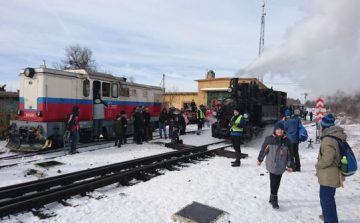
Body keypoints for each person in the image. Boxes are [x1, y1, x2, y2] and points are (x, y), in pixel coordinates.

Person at [257, 121, 294, 209]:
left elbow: (290, 155)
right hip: (271, 164)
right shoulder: (269, 139)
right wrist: (260, 159)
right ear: (275, 130)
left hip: (281, 165)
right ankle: (274, 199)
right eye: (278, 129)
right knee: (273, 181)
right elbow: (263, 150)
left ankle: (272, 197)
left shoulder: (287, 141)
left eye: (281, 129)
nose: (279, 131)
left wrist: (290, 165)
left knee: (277, 182)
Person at [316, 114, 345, 223]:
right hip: (333, 174)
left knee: (326, 201)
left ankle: (330, 220)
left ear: (324, 126)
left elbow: (327, 160)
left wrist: (317, 165)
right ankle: (328, 217)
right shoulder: (335, 136)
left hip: (328, 176)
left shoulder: (328, 139)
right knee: (329, 200)